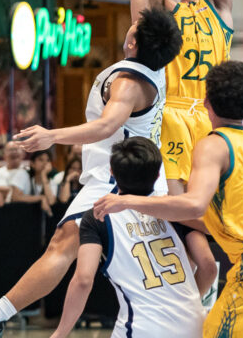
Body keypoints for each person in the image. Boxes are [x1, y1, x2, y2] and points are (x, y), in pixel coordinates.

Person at [0, 0, 182, 332]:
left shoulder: (128, 83)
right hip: (134, 175)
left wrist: (51, 135)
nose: (132, 22)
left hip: (119, 179)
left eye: (136, 25)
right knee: (87, 254)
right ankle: (2, 319)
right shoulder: (156, 65)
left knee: (65, 246)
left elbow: (106, 126)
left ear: (133, 42)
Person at [94, 61, 243, 338]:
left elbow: (194, 205)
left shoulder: (213, 144)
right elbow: (221, 220)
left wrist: (129, 202)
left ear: (206, 100)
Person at [123, 0, 225, 302]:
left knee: (207, 246)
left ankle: (196, 297)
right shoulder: (169, 12)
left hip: (211, 119)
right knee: (183, 209)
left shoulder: (221, 12)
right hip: (173, 114)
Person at [50, 137, 203, 338]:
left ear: (111, 172)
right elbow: (208, 266)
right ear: (158, 174)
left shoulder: (98, 216)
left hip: (142, 326)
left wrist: (60, 333)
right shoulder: (174, 209)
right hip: (194, 323)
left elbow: (83, 280)